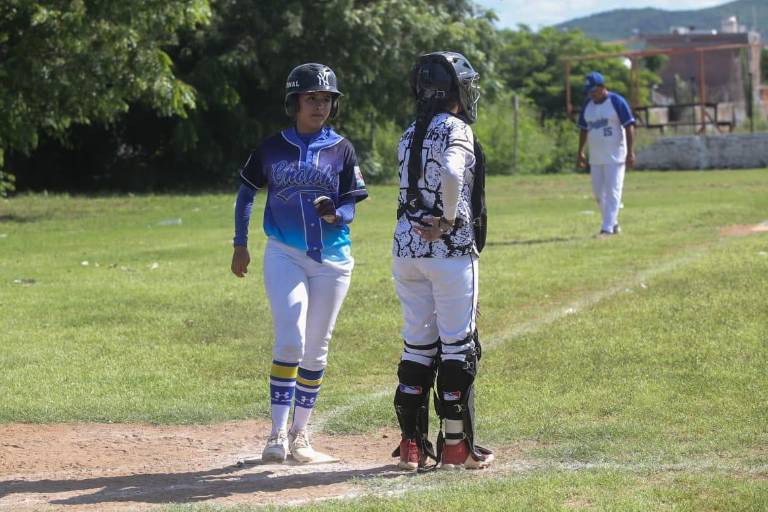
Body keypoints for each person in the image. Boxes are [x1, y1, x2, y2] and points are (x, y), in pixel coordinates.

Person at [231, 63, 368, 463]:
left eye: (326, 99)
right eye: (311, 98)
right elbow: (246, 194)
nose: (319, 105)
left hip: (333, 259)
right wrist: (240, 244)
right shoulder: (271, 147)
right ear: (295, 102)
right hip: (284, 253)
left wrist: (336, 214)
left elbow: (350, 204)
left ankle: (300, 434)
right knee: (291, 338)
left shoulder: (342, 148)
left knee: (316, 349)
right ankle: (276, 434)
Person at [391, 51, 493, 471]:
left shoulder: (409, 131)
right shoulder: (457, 128)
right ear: (455, 90)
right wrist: (449, 220)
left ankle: (411, 445)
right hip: (448, 251)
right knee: (457, 345)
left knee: (417, 345)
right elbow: (452, 173)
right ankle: (455, 446)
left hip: (406, 250)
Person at [577, 71, 636, 236]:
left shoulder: (616, 101)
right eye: (589, 91)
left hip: (615, 155)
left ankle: (607, 229)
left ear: (602, 87)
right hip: (596, 157)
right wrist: (580, 151)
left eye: (593, 90)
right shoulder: (587, 105)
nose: (591, 94)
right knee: (598, 194)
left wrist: (630, 152)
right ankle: (613, 222)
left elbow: (629, 126)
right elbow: (583, 129)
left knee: (612, 191)